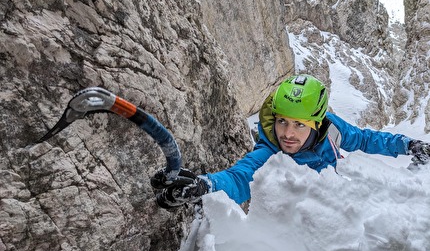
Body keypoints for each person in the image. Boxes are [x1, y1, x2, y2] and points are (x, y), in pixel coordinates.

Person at [153, 74, 430, 208]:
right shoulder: (271, 152)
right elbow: (241, 177)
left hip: (344, 201)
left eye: (299, 125)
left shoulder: (331, 129)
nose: (287, 133)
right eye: (282, 121)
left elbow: (367, 139)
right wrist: (205, 185)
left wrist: (407, 145)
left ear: (316, 123)